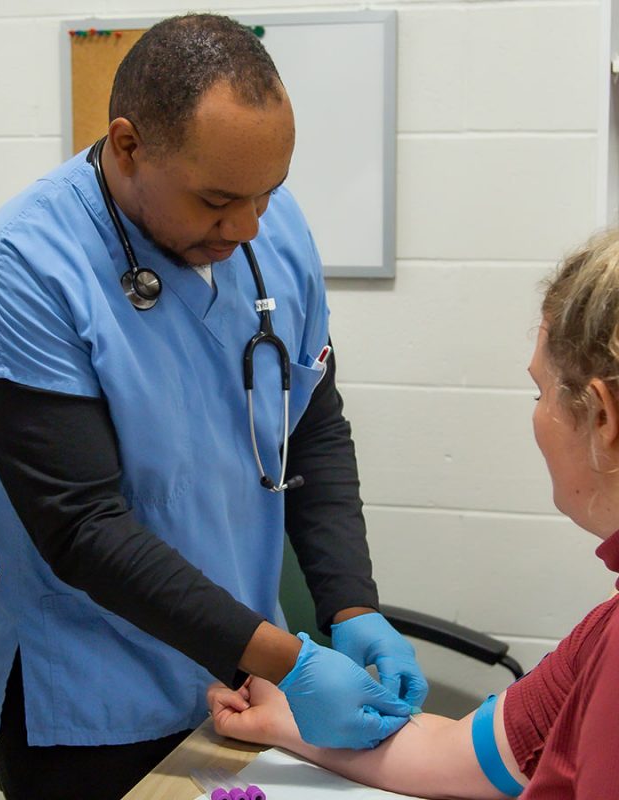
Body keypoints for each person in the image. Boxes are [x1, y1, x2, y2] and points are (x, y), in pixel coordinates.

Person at [0, 13, 426, 799]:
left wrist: (350, 604)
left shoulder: (272, 227)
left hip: (243, 680)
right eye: (216, 201)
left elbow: (312, 428)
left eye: (266, 196)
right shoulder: (21, 270)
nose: (245, 229)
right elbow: (82, 528)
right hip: (92, 698)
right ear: (129, 146)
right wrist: (287, 659)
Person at [208, 228, 619, 799]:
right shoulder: (605, 629)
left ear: (601, 416)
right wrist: (286, 720)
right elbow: (459, 757)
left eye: (540, 393)